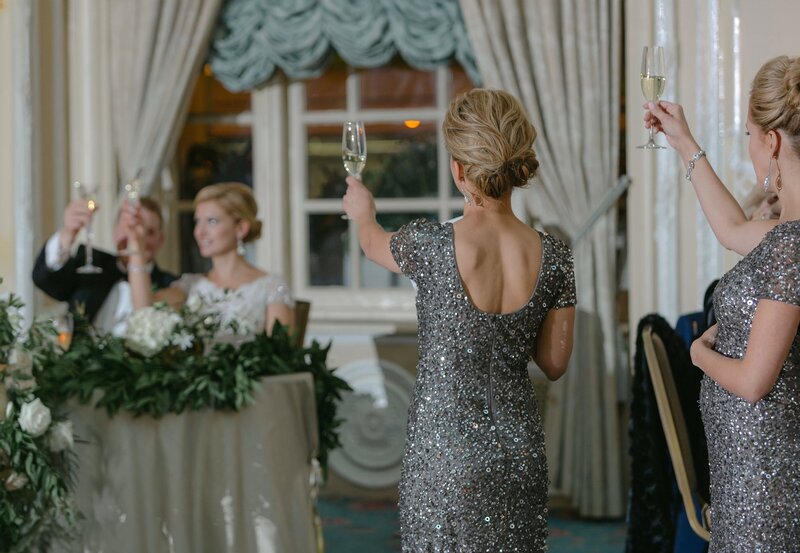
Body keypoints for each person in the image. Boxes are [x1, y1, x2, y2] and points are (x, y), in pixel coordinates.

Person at [343, 89, 576, 551]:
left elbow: (371, 243)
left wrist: (361, 210)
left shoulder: (431, 244)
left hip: (445, 452)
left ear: (460, 170)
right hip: (520, 450)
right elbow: (553, 363)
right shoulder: (555, 256)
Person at [645, 55, 800, 550]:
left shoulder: (792, 244)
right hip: (748, 470)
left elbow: (754, 382)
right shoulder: (784, 235)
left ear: (771, 141)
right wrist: (684, 142)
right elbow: (732, 229)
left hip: (765, 479)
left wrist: (698, 353)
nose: (750, 148)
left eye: (750, 135)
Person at [126, 182, 293, 337]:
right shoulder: (191, 286)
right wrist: (136, 246)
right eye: (198, 222)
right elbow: (144, 310)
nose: (200, 232)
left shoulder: (271, 287)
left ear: (241, 228)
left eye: (212, 221)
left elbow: (283, 359)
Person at [32, 196, 177, 335]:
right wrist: (67, 234)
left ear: (161, 240)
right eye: (129, 227)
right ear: (114, 231)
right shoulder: (90, 264)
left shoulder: (171, 285)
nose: (138, 237)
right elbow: (43, 279)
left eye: (149, 232)